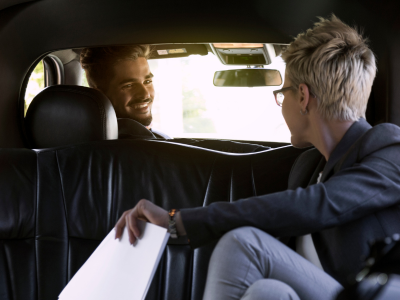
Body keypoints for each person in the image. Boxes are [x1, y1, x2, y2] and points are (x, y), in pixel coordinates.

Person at [114, 15, 400, 300]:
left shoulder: (389, 150)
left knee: (243, 243)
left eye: (282, 93)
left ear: (302, 97)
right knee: (267, 291)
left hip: (369, 293)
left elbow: (318, 205)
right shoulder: (308, 167)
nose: (281, 103)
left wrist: (177, 222)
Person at [80, 45, 171, 139]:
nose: (145, 94)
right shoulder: (107, 148)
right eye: (129, 85)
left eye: (147, 82)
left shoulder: (160, 138)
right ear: (100, 95)